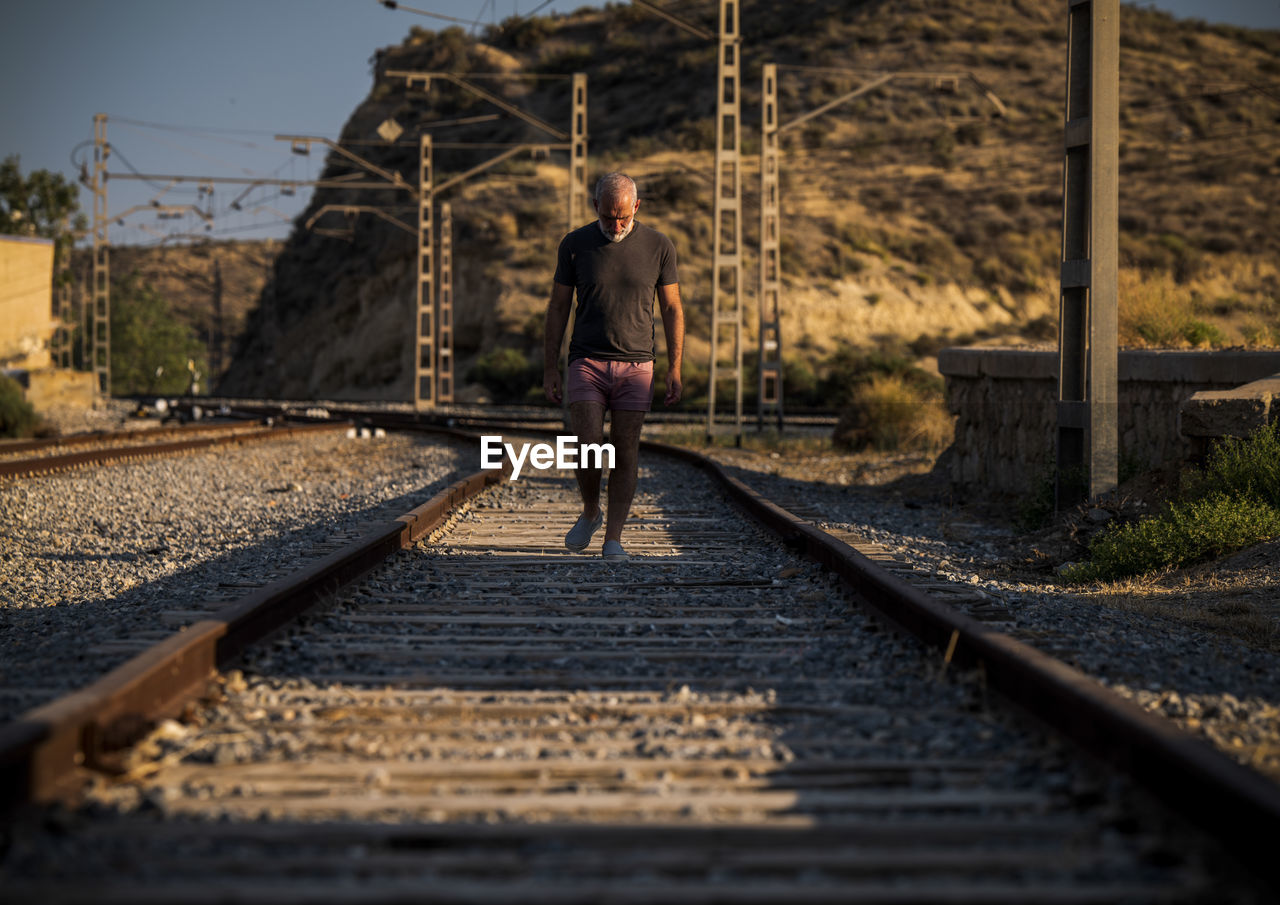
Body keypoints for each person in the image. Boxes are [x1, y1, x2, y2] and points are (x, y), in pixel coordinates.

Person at [543, 172, 684, 563]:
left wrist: (675, 367)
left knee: (625, 451)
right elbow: (557, 307)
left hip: (637, 364)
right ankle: (591, 510)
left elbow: (672, 308)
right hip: (586, 360)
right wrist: (550, 367)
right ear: (595, 208)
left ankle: (613, 540)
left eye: (623, 217)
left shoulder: (659, 246)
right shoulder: (574, 245)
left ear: (636, 207)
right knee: (587, 447)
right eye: (608, 218)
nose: (616, 226)